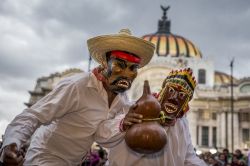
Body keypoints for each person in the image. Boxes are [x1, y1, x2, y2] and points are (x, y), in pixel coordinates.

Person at [0, 28, 155, 166]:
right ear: (103, 62)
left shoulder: (122, 100)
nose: (126, 74)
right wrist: (12, 144)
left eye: (133, 68)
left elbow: (102, 134)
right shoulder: (77, 86)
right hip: (44, 158)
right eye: (119, 65)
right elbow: (33, 116)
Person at [94, 68, 207, 166]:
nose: (174, 98)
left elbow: (189, 159)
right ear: (162, 92)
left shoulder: (181, 124)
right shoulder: (132, 109)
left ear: (185, 104)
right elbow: (100, 135)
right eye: (171, 90)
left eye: (182, 95)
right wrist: (122, 124)